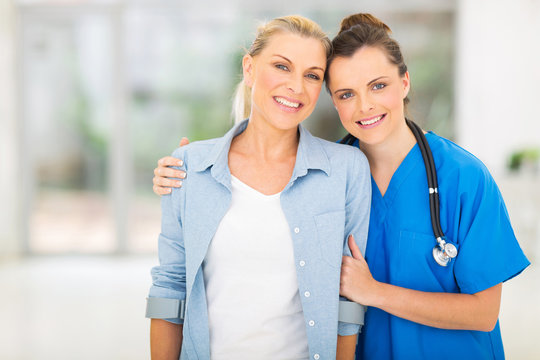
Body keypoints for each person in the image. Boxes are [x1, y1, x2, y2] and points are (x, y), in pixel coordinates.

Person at [152, 13, 530, 360]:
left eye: (378, 85)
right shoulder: (335, 172)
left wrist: (374, 292)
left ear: (405, 81)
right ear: (333, 101)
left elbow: (484, 313)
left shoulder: (461, 177)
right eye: (346, 94)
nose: (365, 105)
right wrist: (194, 170)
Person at [145, 15, 372, 360]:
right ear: (249, 69)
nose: (296, 86)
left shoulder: (345, 170)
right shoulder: (189, 167)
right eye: (282, 66)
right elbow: (170, 288)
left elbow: (347, 301)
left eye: (312, 75)